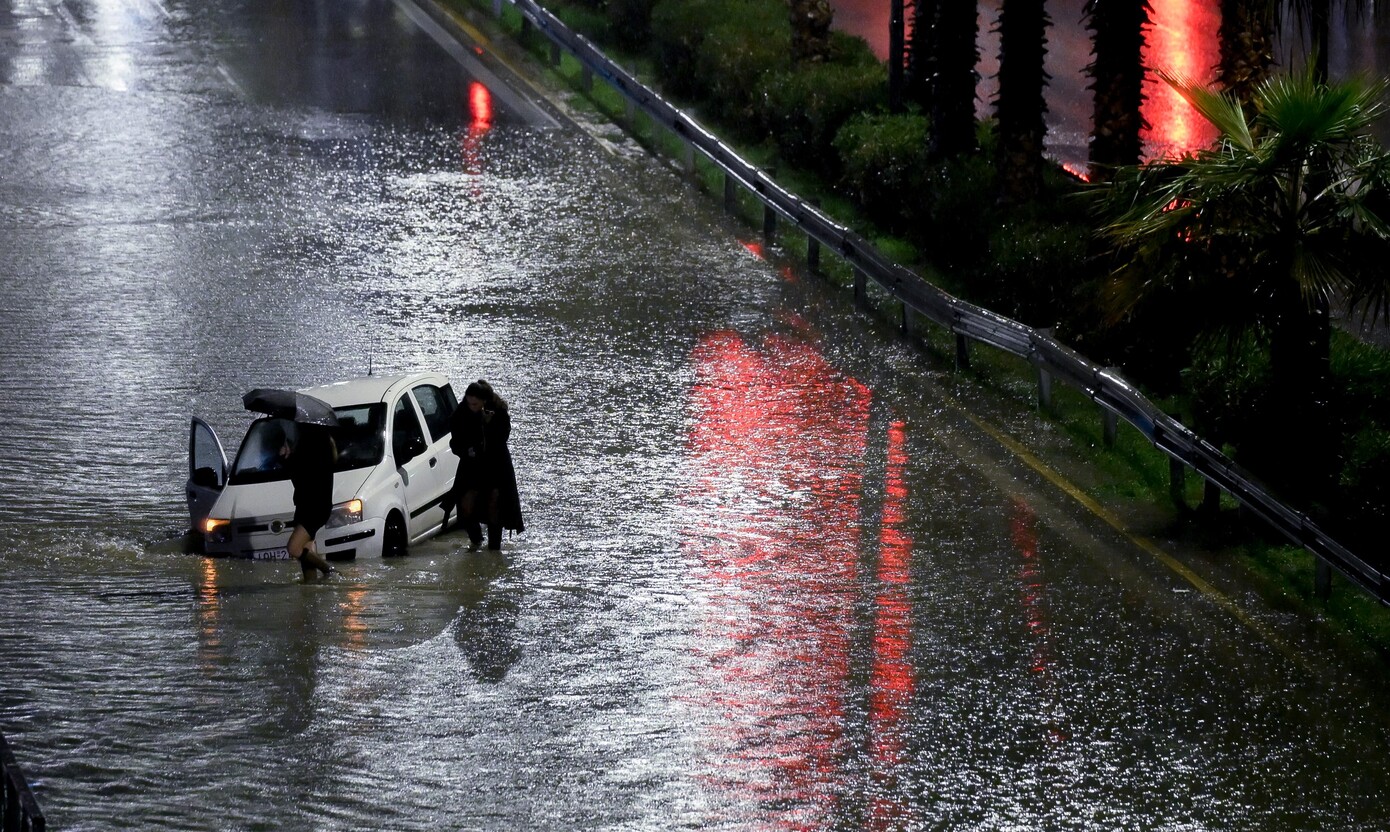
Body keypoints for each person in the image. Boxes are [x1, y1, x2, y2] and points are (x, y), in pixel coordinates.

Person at [449, 379, 524, 551]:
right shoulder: (461, 413)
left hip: (495, 467)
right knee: (466, 506)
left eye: (475, 404)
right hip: (472, 467)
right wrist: (465, 450)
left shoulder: (498, 412)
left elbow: (502, 437)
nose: (471, 406)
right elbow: (455, 441)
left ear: (483, 401)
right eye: (469, 403)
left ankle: (494, 549)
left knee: (494, 506)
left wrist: (488, 424)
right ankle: (476, 539)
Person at [283, 422, 338, 578]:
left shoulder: (314, 446)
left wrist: (287, 457)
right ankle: (310, 591)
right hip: (308, 505)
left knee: (294, 548)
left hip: (314, 507)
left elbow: (304, 477)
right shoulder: (323, 443)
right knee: (307, 551)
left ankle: (329, 570)